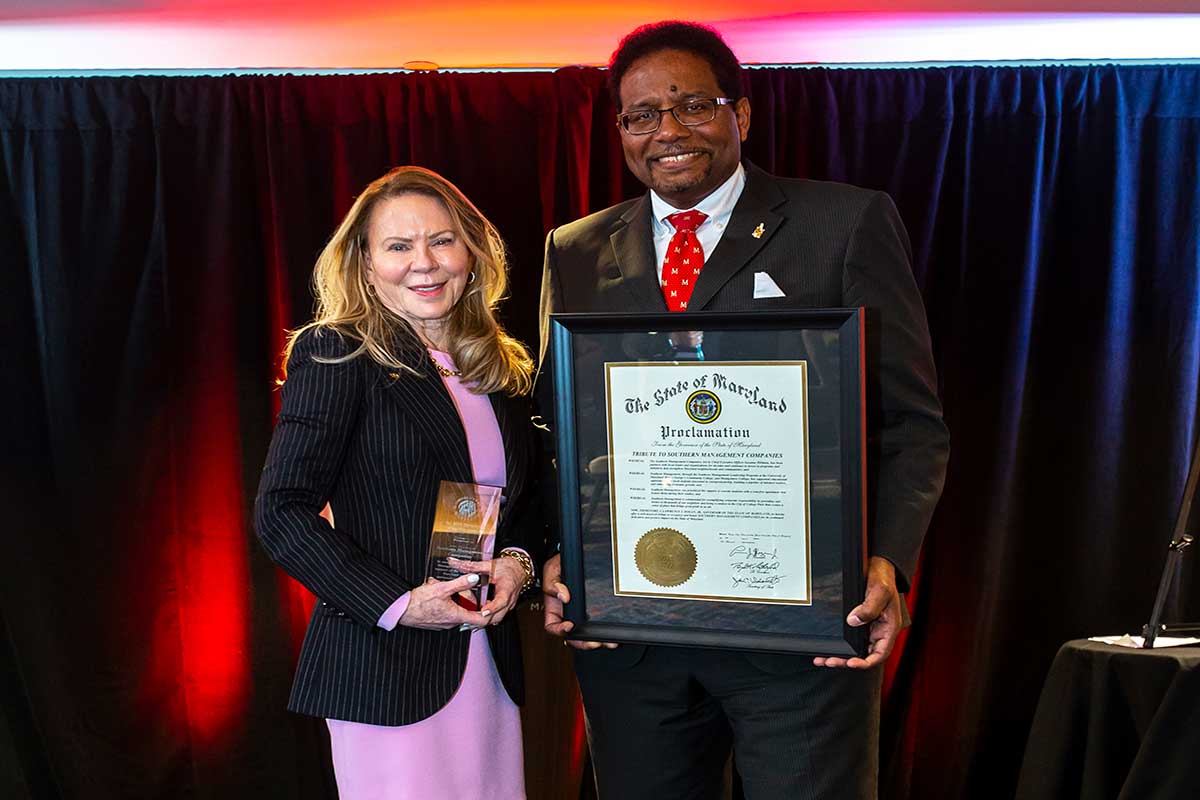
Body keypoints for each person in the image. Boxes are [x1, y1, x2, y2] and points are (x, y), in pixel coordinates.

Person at [538, 21, 950, 800]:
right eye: (641, 115)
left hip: (801, 634)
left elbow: (913, 423)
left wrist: (888, 564)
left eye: (692, 104)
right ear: (621, 131)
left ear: (741, 115)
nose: (668, 131)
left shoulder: (842, 223)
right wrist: (556, 555)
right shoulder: (576, 248)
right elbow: (555, 424)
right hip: (633, 638)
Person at [255, 166, 540, 800]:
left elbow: (524, 502)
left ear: (470, 250)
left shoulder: (496, 365)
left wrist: (518, 566)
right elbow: (282, 514)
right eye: (398, 246)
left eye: (442, 240)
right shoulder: (339, 352)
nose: (425, 263)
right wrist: (402, 604)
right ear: (364, 261)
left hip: (484, 663)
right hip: (384, 667)